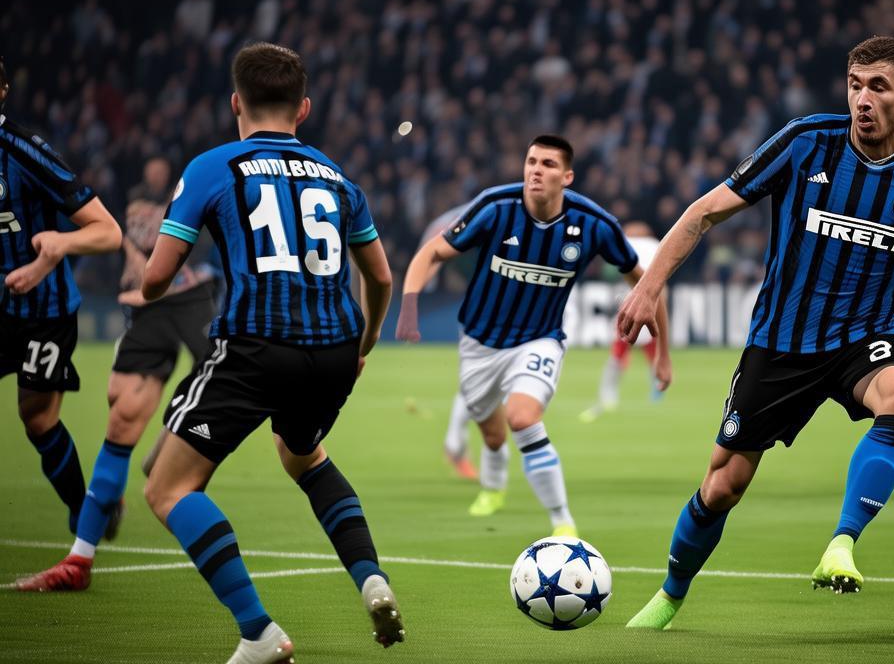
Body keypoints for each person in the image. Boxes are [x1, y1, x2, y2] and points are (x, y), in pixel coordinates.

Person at [617, 36, 894, 629]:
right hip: (781, 341)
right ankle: (671, 595)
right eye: (855, 85)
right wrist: (648, 287)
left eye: (878, 87)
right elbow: (703, 212)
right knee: (723, 486)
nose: (862, 99)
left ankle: (842, 543)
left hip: (865, 335)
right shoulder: (805, 141)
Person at [137, 43, 403, 663]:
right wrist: (363, 344)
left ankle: (258, 632)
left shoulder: (212, 167)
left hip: (256, 345)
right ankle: (372, 579)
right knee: (303, 455)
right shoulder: (337, 176)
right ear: (303, 109)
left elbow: (154, 281)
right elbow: (381, 277)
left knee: (166, 488)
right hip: (334, 350)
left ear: (236, 102)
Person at [397, 135, 672, 537]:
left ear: (567, 177)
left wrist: (663, 354)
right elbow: (432, 252)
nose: (536, 171)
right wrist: (408, 305)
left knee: (522, 418)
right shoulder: (496, 207)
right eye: (531, 162)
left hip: (539, 339)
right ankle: (494, 486)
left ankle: (563, 522)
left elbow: (648, 287)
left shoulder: (594, 224)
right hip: (479, 342)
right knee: (493, 436)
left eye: (547, 164)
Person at [17, 156, 219, 591]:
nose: (156, 172)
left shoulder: (198, 171)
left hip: (192, 295)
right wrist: (131, 260)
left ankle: (173, 438)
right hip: (145, 304)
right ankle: (79, 560)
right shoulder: (128, 193)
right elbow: (110, 230)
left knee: (225, 376)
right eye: (152, 168)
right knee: (122, 417)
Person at [0, 56, 122, 539]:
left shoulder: (25, 151)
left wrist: (57, 246)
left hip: (44, 312)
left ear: (3, 92)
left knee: (37, 419)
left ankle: (84, 511)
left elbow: (108, 232)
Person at [417, 202, 480, 480]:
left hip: (484, 308)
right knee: (478, 383)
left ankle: (455, 444)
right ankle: (455, 445)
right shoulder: (481, 222)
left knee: (478, 383)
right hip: (484, 312)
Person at [580, 221, 664, 422]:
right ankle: (658, 387)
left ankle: (609, 394)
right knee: (650, 348)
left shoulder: (628, 245)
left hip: (630, 303)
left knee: (620, 349)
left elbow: (613, 271)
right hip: (650, 304)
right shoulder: (655, 246)